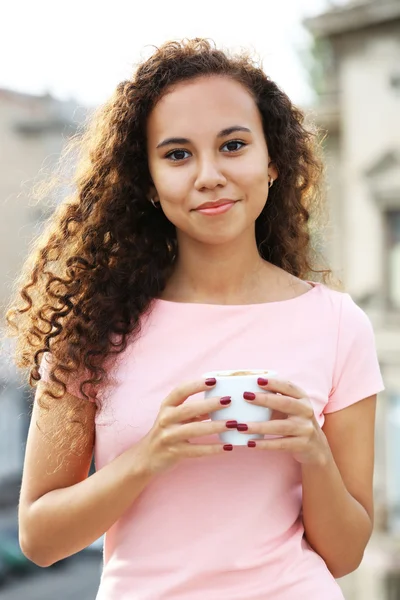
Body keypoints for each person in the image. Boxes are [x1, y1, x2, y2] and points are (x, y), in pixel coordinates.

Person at [5, 38, 384, 600]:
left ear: (273, 160)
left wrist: (313, 452)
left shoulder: (337, 324)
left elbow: (346, 554)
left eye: (233, 145)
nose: (209, 174)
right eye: (178, 154)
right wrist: (150, 456)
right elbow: (39, 538)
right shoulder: (92, 329)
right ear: (150, 181)